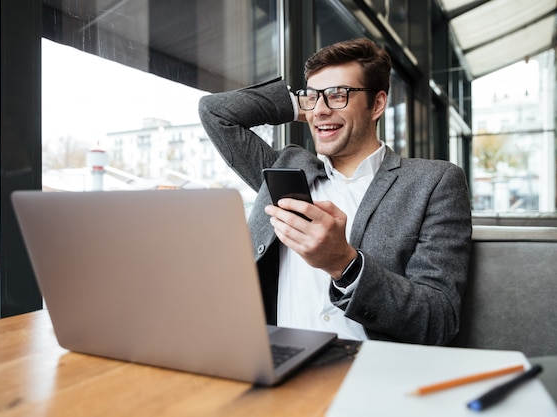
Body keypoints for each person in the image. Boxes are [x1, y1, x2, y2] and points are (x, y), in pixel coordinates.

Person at [198, 38, 472, 345]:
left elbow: (439, 318)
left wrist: (344, 263)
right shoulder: (285, 170)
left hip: (370, 370)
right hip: (279, 361)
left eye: (338, 95)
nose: (321, 110)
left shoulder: (434, 182)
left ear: (377, 104)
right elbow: (215, 112)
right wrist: (303, 105)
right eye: (312, 97)